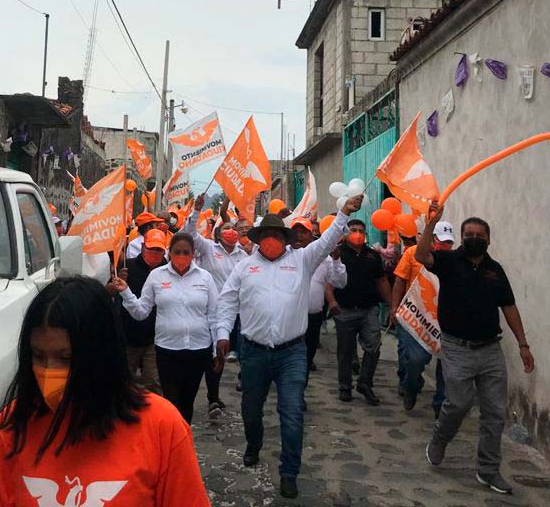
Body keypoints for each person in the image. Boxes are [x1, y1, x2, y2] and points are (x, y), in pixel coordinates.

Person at [0, 276, 210, 506]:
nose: (48, 370)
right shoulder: (15, 423)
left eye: (65, 358)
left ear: (100, 355)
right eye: (38, 356)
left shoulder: (161, 426)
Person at [215, 196, 363, 500]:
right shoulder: (244, 268)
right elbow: (228, 302)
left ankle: (289, 472)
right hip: (253, 352)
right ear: (258, 239)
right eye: (266, 236)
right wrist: (221, 334)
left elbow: (327, 242)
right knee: (251, 410)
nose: (271, 240)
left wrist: (344, 214)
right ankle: (253, 444)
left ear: (285, 239)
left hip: (292, 353)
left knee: (292, 413)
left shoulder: (303, 260)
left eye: (277, 235)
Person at [416, 202, 535, 496]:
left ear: (489, 239)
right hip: (457, 348)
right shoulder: (448, 261)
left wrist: (523, 344)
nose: (473, 238)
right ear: (462, 236)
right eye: (468, 234)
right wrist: (431, 224)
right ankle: (440, 439)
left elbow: (509, 306)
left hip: (490, 350)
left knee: (495, 413)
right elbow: (420, 255)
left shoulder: (496, 271)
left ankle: (488, 470)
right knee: (458, 404)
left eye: (479, 234)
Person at [113, 233, 221, 424]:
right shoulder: (157, 276)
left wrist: (216, 348)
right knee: (171, 402)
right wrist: (126, 292)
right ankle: (170, 440)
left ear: (193, 253)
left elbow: (214, 315)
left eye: (186, 252)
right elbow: (141, 311)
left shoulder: (205, 278)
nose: (181, 256)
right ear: (169, 253)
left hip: (198, 350)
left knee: (187, 403)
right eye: (177, 251)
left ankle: (182, 441)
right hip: (167, 351)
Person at [187, 194, 248, 417]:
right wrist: (196, 211)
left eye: (234, 228)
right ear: (218, 233)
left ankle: (233, 390)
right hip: (210, 311)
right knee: (212, 354)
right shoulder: (209, 249)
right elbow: (190, 235)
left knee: (232, 353)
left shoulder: (245, 256)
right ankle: (212, 397)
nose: (231, 231)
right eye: (226, 228)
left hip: (237, 313)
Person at [389, 221, 453, 414]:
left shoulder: (454, 259)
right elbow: (400, 280)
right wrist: (394, 308)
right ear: (432, 239)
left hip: (444, 320)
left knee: (446, 365)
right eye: (441, 242)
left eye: (449, 243)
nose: (445, 246)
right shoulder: (413, 254)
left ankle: (440, 406)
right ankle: (411, 386)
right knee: (416, 359)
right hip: (414, 316)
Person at [327, 218, 391, 405]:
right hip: (344, 309)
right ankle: (344, 387)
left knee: (374, 347)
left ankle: (365, 382)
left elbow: (382, 281)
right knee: (345, 351)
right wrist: (331, 301)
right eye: (354, 230)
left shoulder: (372, 255)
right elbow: (328, 281)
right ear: (346, 233)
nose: (358, 233)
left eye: (361, 231)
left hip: (369, 309)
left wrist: (391, 305)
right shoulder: (337, 254)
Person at [107, 229, 167, 395]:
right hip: (128, 336)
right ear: (142, 247)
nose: (155, 253)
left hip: (154, 338)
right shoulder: (127, 266)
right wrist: (118, 282)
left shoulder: (168, 270)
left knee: (154, 383)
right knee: (123, 382)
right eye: (151, 248)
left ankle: (155, 418)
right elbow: (108, 292)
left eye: (159, 250)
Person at [295, 219, 346, 375]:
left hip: (313, 316)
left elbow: (340, 282)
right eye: (295, 232)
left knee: (308, 354)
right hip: (291, 316)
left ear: (312, 235)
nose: (299, 235)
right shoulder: (285, 256)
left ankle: (299, 389)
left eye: (303, 232)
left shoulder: (326, 259)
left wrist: (337, 260)